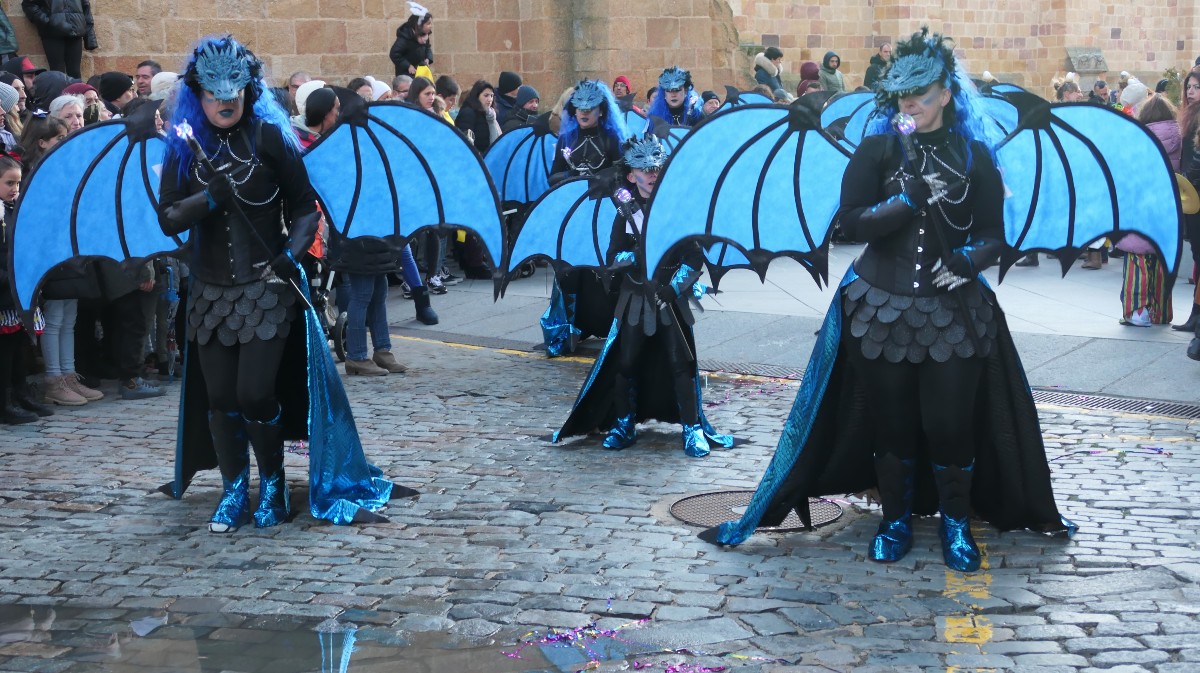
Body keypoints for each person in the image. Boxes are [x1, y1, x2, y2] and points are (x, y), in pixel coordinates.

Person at [703, 28, 1075, 572]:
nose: (910, 105)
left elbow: (997, 234)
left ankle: (954, 524)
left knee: (951, 425)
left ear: (946, 93)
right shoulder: (877, 149)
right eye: (902, 97)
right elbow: (852, 222)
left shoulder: (975, 156)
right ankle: (895, 519)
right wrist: (907, 198)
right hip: (881, 309)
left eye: (921, 95)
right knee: (892, 424)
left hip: (955, 313)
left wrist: (969, 261)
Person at [158, 35, 398, 532]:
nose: (226, 101)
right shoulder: (185, 146)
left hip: (266, 289)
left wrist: (292, 255)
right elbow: (168, 219)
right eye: (214, 93)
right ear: (197, 94)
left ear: (249, 89)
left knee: (254, 394)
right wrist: (208, 198)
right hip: (209, 293)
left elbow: (305, 206)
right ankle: (232, 489)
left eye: (235, 91)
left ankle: (271, 483)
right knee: (221, 397)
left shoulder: (270, 138)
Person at [554, 134, 732, 456]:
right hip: (635, 299)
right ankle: (624, 424)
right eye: (644, 169)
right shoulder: (624, 213)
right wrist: (633, 257)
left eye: (656, 168)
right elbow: (612, 257)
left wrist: (672, 287)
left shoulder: (673, 207)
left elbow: (693, 257)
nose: (652, 174)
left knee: (682, 363)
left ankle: (691, 428)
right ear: (631, 174)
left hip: (670, 298)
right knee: (627, 362)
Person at [540, 80, 629, 356]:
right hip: (574, 214)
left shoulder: (612, 138)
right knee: (570, 270)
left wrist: (603, 178)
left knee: (603, 269)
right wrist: (572, 177)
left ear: (601, 110)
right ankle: (569, 329)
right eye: (579, 107)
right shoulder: (566, 139)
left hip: (604, 215)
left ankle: (610, 327)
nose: (584, 112)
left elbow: (623, 172)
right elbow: (553, 175)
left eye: (590, 107)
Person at [21, 114, 103, 406]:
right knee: (55, 318)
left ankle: (69, 374)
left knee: (69, 317)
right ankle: (53, 379)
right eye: (59, 137)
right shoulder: (34, 172)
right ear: (42, 143)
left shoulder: (62, 167)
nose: (65, 141)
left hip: (68, 249)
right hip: (51, 251)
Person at [1118, 94, 1178, 327]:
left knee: (1137, 258)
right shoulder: (1179, 137)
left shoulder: (1141, 139)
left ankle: (1137, 313)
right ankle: (1161, 312)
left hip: (1141, 208)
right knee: (1161, 259)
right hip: (1167, 209)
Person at [0, 154, 47, 424]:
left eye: (18, 183)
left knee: (19, 347)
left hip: (18, 291)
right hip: (4, 292)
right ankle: (4, 402)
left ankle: (21, 393)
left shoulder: (13, 210)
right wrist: (10, 277)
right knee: (4, 352)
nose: (15, 189)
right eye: (9, 183)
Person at [1176, 67, 1200, 334]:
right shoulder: (1189, 114)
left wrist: (1187, 179)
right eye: (1189, 87)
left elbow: (1197, 159)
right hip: (1191, 193)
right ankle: (1196, 314)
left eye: (1196, 87)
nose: (1190, 92)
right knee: (1196, 254)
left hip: (1196, 192)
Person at [19, 0, 96, 79]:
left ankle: (76, 91)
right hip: (53, 34)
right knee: (57, 72)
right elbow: (28, 4)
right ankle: (58, 91)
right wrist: (47, 21)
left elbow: (86, 8)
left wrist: (90, 37)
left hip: (75, 32)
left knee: (75, 72)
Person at [389, 3, 433, 78]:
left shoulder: (425, 35)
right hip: (407, 75)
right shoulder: (405, 38)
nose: (431, 26)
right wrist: (408, 66)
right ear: (419, 24)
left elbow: (427, 48)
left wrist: (428, 58)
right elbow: (394, 54)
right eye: (428, 23)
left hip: (420, 73)